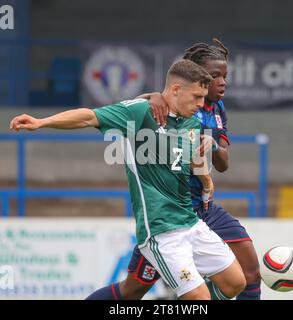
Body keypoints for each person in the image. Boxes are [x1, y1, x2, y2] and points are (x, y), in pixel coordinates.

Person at [10, 59, 246, 300]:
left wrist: (206, 180)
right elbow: (88, 117)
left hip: (191, 222)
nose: (201, 103)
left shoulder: (191, 123)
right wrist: (42, 122)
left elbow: (188, 158)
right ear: (176, 89)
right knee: (197, 298)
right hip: (161, 230)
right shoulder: (140, 112)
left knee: (235, 282)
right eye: (196, 96)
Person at [87, 39, 261, 300]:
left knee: (249, 273)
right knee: (133, 289)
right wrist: (152, 95)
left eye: (225, 76)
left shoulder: (216, 110)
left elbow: (223, 163)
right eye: (215, 76)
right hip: (170, 214)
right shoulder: (167, 102)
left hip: (203, 210)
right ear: (197, 76)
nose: (222, 82)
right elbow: (136, 109)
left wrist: (209, 141)